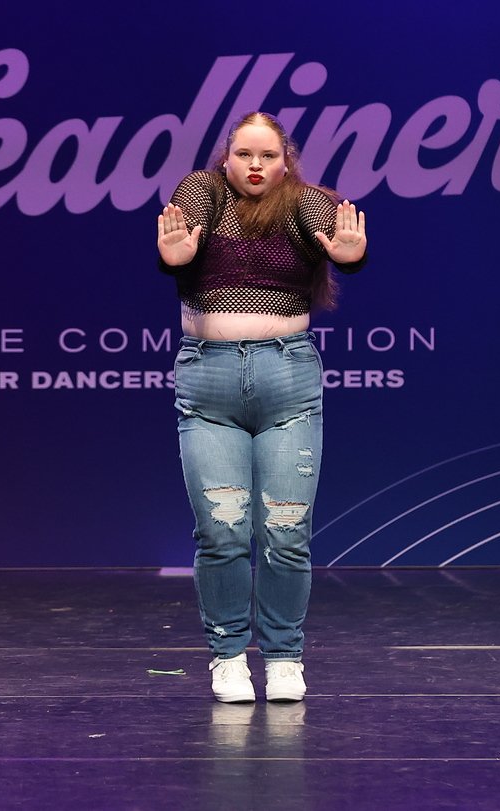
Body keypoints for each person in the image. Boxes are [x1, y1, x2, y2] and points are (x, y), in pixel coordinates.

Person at [156, 112, 368, 703]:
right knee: (221, 532)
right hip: (210, 380)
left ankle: (283, 657)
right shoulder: (200, 190)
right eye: (244, 154)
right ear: (227, 158)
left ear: (285, 160)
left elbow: (346, 249)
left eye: (267, 156)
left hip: (287, 379)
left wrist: (350, 254)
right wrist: (175, 256)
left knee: (285, 530)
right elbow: (177, 248)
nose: (255, 165)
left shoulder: (306, 204)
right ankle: (227, 656)